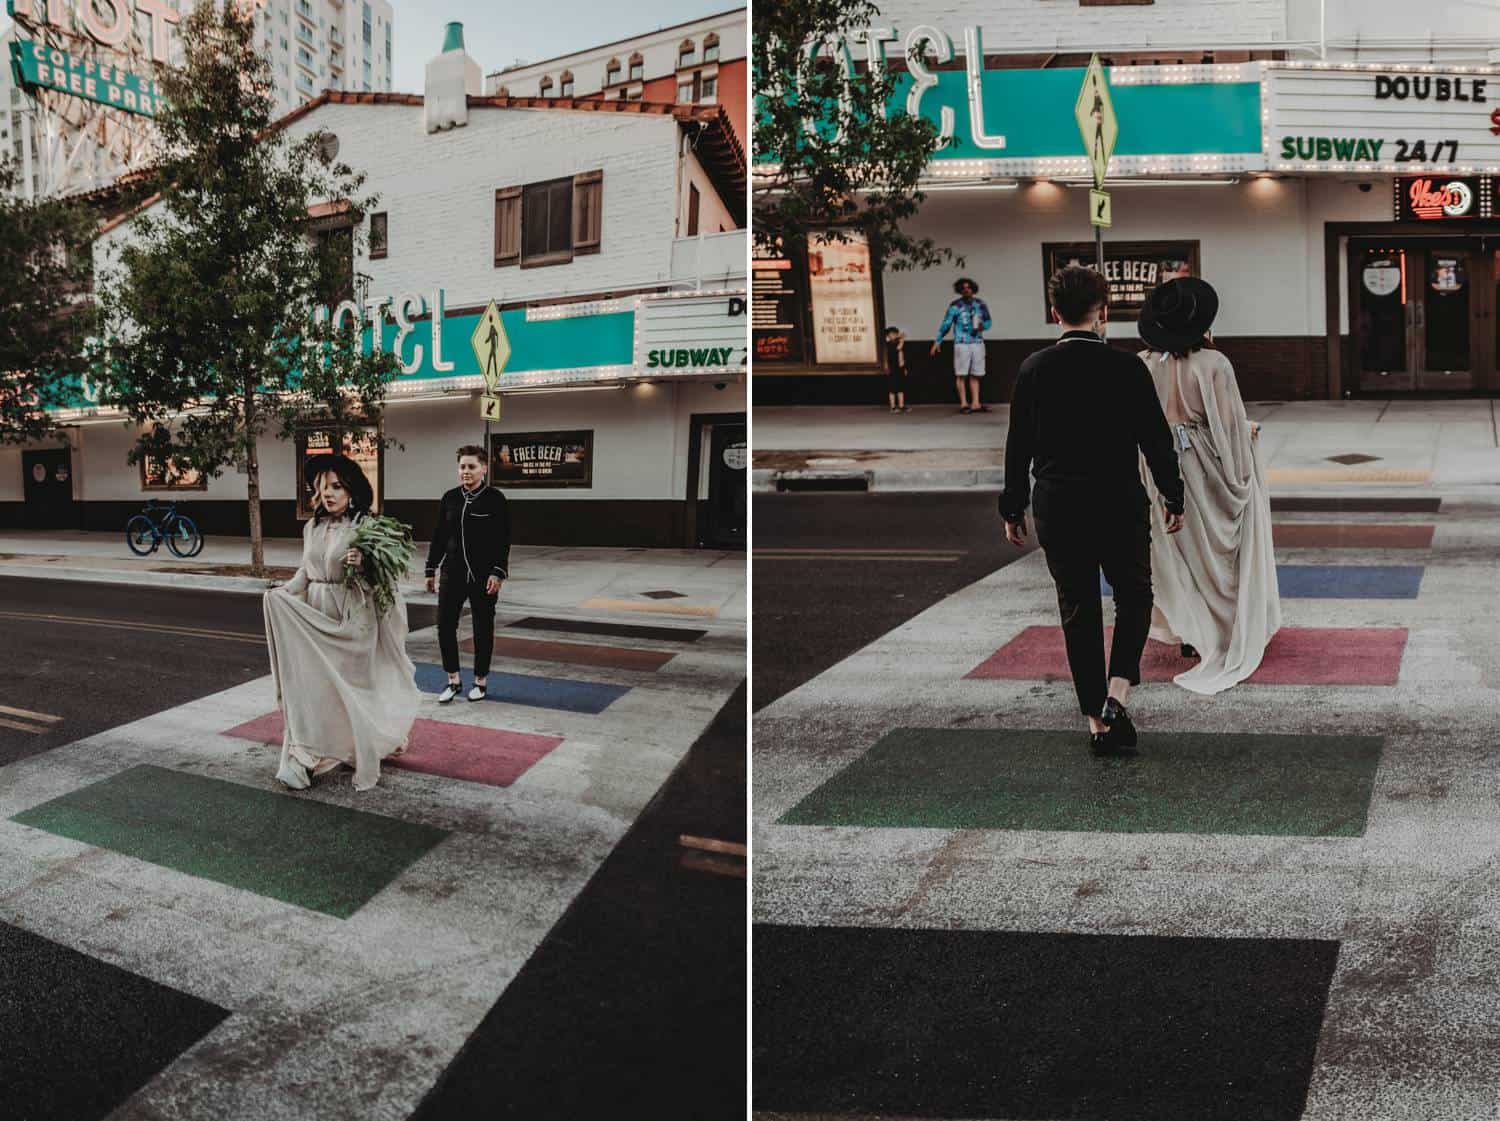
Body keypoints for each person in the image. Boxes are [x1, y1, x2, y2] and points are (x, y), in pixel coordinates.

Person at [998, 265, 1186, 753]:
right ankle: (1118, 692)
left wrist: (1012, 506)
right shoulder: (1128, 368)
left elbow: (1017, 447)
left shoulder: (1034, 370)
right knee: (1135, 595)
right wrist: (1173, 493)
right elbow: (1156, 440)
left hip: (1058, 505)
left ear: (1055, 313)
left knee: (1077, 608)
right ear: (1103, 313)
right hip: (1118, 500)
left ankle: (1096, 724)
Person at [1135, 277, 1281, 693]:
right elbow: (1229, 427)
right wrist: (1240, 479)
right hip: (1203, 464)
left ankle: (1189, 629)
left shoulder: (1147, 362)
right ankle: (1222, 632)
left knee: (1178, 552)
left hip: (1159, 463)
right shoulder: (1215, 364)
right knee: (1218, 554)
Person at [264, 454, 420, 791]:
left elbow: (386, 577)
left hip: (353, 618)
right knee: (318, 687)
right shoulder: (312, 527)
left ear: (351, 490)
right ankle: (308, 754)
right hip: (318, 613)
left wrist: (364, 563)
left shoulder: (367, 526)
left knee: (354, 688)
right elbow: (306, 571)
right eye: (323, 488)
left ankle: (369, 739)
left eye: (336, 486)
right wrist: (284, 592)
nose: (329, 494)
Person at [425, 445, 511, 703]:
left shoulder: (495, 499)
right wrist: (431, 568)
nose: (466, 472)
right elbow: (439, 536)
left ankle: (480, 682)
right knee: (445, 627)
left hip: (483, 577)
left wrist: (498, 572)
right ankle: (453, 680)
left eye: (471, 467)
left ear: (484, 468)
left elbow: (503, 539)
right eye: (462, 466)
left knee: (482, 628)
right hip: (452, 574)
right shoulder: (450, 498)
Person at [930, 277, 992, 415]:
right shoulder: (955, 306)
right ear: (959, 290)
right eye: (963, 288)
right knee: (961, 374)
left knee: (976, 373)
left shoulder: (980, 304)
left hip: (977, 342)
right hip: (962, 343)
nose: (966, 290)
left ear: (973, 289)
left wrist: (983, 326)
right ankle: (964, 403)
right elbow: (946, 324)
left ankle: (976, 403)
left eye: (969, 287)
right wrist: (937, 341)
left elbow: (988, 322)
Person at [884, 325, 910, 413]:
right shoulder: (889, 344)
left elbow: (902, 357)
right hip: (892, 369)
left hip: (900, 368)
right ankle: (893, 407)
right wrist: (901, 339)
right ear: (888, 336)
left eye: (895, 333)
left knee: (901, 388)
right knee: (892, 389)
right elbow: (898, 348)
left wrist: (904, 368)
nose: (894, 335)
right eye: (892, 334)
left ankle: (901, 406)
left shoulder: (898, 342)